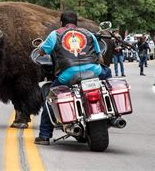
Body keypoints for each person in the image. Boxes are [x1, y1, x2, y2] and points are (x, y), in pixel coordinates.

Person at [34, 10, 110, 145]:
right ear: (76, 22)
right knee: (107, 78)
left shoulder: (55, 34)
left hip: (68, 75)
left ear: (61, 22)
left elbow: (41, 51)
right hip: (94, 71)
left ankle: (44, 136)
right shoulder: (88, 34)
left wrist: (41, 48)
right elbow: (100, 58)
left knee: (49, 99)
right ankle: (109, 104)